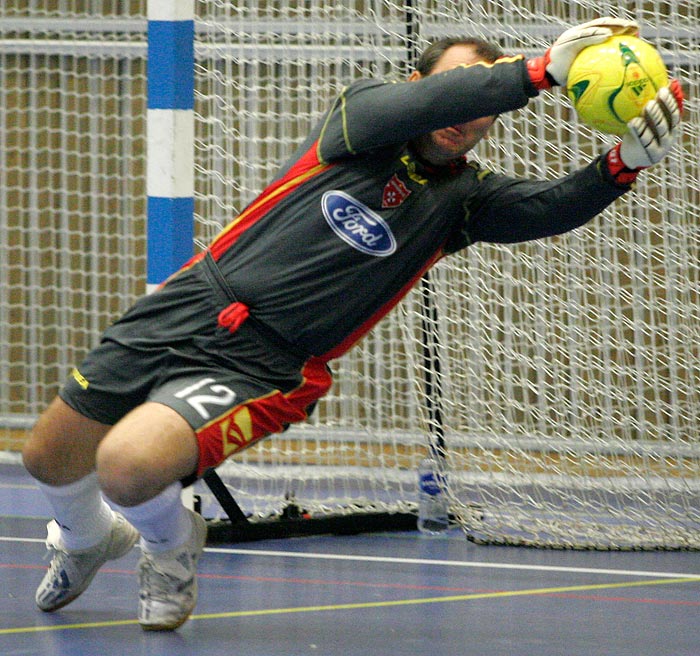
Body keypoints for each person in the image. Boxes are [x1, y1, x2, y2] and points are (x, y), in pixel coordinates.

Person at [22, 17, 684, 631]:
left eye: (483, 107)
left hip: (264, 363)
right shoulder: (359, 118)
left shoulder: (462, 201)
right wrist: (534, 73)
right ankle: (87, 540)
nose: (469, 114)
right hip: (192, 302)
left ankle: (170, 548)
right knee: (47, 457)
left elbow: (549, 207)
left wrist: (621, 167)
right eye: (459, 90)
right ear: (423, 86)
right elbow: (419, 106)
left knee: (128, 467)